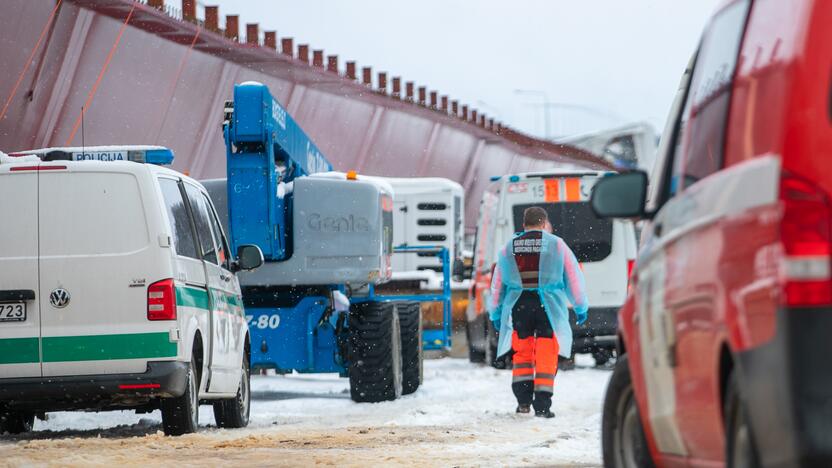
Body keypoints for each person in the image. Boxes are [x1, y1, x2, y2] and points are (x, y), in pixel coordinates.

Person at [488, 206, 588, 418]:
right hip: (548, 306)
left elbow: (498, 286)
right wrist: (580, 307)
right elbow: (573, 278)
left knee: (522, 352)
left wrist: (496, 313)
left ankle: (523, 402)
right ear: (544, 223)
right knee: (546, 351)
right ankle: (543, 406)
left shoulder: (508, 248)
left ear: (523, 224)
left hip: (519, 305)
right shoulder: (557, 245)